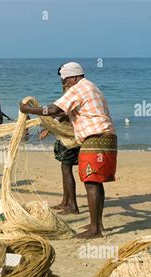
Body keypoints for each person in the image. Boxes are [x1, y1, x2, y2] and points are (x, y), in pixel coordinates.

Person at [19, 62, 117, 239]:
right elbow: (68, 112)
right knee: (96, 182)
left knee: (91, 182)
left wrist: (28, 109)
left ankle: (95, 230)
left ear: (73, 77)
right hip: (107, 137)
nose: (65, 85)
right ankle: (98, 224)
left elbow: (54, 109)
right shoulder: (92, 87)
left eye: (65, 81)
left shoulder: (78, 88)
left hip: (94, 138)